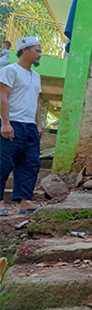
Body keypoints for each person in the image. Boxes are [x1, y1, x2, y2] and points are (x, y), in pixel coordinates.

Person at [0, 37, 42, 216]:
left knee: (31, 163)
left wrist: (39, 124)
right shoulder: (10, 70)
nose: (40, 54)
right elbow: (3, 96)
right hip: (12, 124)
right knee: (3, 164)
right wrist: (5, 122)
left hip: (30, 127)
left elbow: (37, 102)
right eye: (37, 50)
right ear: (25, 50)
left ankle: (25, 201)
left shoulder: (36, 76)